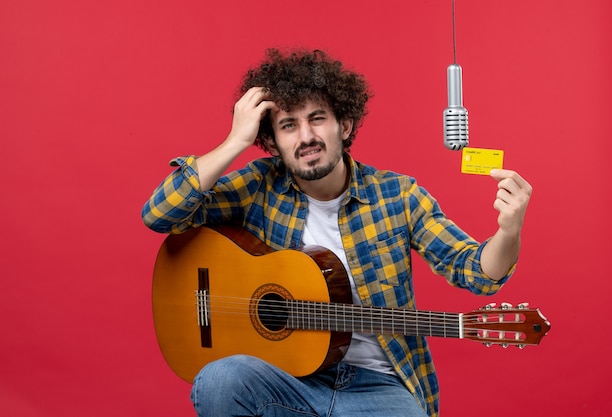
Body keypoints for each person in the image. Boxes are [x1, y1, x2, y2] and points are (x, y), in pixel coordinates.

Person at [141, 48, 532, 417]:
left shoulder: (398, 195)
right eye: (288, 126)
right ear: (273, 143)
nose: (305, 137)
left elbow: (476, 273)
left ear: (344, 125)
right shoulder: (258, 186)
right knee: (220, 380)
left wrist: (508, 231)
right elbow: (159, 213)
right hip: (287, 380)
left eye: (316, 118)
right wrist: (235, 141)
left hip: (378, 387)